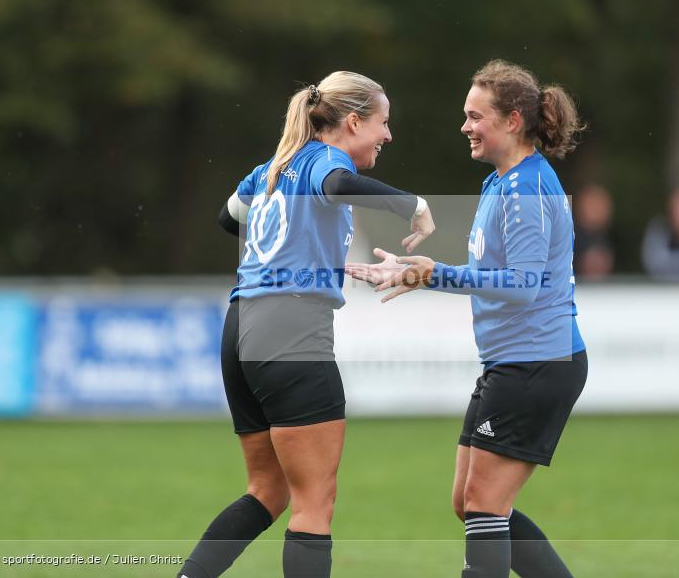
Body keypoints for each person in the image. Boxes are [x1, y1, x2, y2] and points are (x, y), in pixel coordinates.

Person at [176, 71, 435, 578]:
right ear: (354, 121)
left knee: (267, 492)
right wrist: (415, 206)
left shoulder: (274, 165)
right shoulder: (324, 159)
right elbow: (337, 185)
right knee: (314, 503)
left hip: (241, 326)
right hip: (290, 327)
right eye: (383, 123)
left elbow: (230, 220)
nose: (388, 135)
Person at [347, 59, 586, 578]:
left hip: (537, 361)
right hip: (513, 361)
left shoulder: (524, 189)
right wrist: (425, 273)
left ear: (513, 122)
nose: (466, 126)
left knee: (482, 504)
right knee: (468, 501)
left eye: (476, 116)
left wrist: (435, 276)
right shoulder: (501, 184)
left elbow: (523, 287)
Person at [573, 183, 615, 281]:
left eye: (601, 205)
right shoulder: (567, 241)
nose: (598, 210)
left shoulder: (609, 240)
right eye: (593, 205)